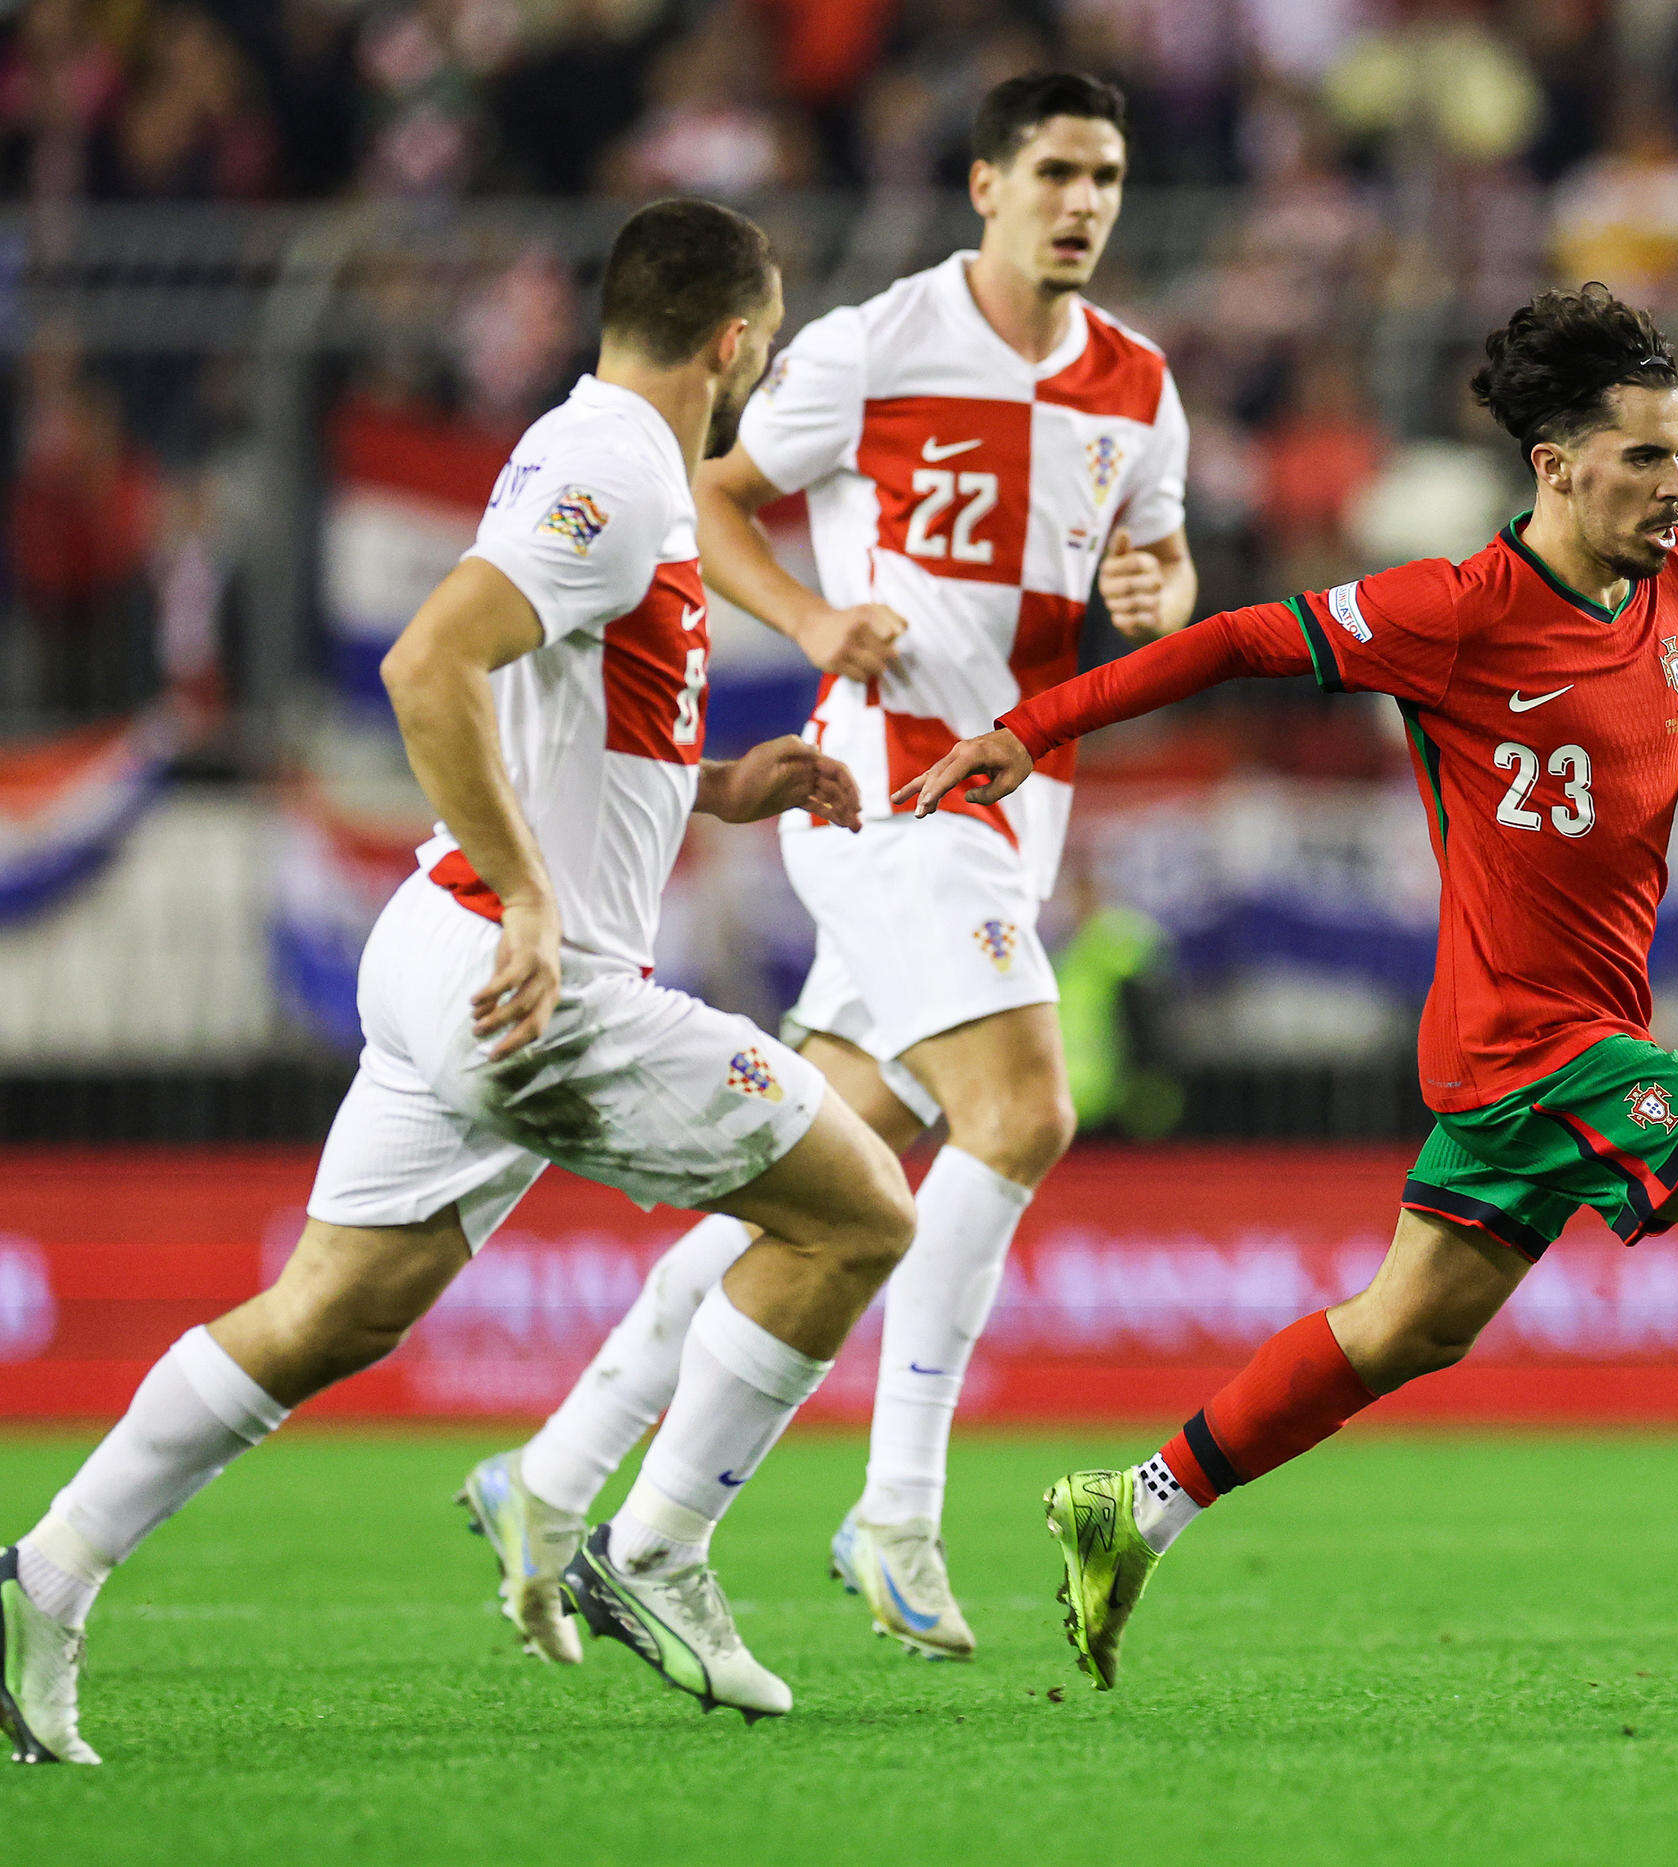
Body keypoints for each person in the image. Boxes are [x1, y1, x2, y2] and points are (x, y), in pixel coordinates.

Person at [913, 284, 1678, 1690]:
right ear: (1557, 465)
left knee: (1403, 1326)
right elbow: (1239, 639)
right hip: (1533, 1046)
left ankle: (1133, 1504)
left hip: (1566, 1040)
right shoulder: (1458, 610)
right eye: (1644, 458)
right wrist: (1033, 724)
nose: (1676, 485)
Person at [0, 200, 915, 1764]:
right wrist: (539, 901)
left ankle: (42, 1574)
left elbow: (568, 713)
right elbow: (430, 665)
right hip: (526, 977)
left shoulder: (599, 451)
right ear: (737, 343)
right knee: (863, 1206)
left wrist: (731, 783)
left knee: (332, 1308)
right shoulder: (618, 471)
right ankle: (660, 1544)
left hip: (437, 944)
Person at [465, 71, 1193, 1663]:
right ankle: (897, 1509)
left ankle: (555, 1470)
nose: (1086, 202)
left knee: (811, 1173)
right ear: (987, 185)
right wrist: (806, 623)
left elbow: (1158, 551)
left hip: (1020, 812)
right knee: (1026, 1110)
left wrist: (1158, 579)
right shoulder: (875, 342)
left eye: (1111, 177)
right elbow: (716, 498)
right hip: (886, 789)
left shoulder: (1143, 383)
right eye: (1058, 171)